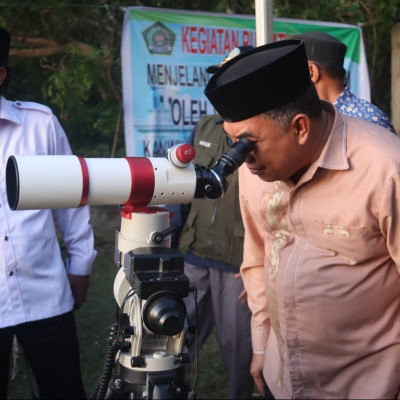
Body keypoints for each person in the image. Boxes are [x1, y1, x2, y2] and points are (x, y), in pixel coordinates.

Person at [204, 39, 400, 399]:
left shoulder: (385, 169)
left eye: (247, 142)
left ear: (300, 127)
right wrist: (261, 345)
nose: (240, 158)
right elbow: (258, 256)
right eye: (231, 142)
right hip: (283, 381)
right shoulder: (254, 170)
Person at [0, 27, 97, 399]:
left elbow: (72, 200)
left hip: (45, 294)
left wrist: (81, 266)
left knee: (64, 390)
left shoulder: (39, 125)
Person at [178, 47, 254, 399]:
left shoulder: (262, 133)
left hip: (235, 261)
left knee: (239, 352)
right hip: (193, 254)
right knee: (174, 341)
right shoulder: (206, 125)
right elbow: (185, 187)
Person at [293, 30, 396, 133]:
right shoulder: (308, 118)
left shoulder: (367, 120)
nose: (290, 80)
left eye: (293, 71)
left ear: (312, 72)